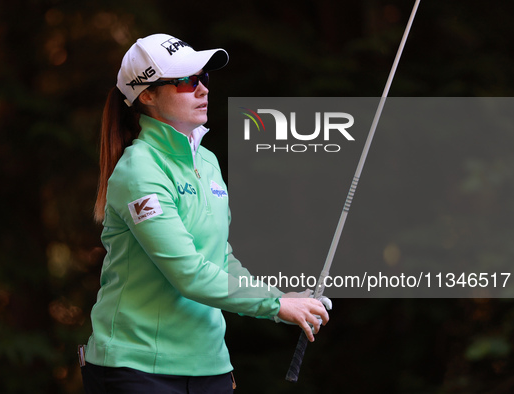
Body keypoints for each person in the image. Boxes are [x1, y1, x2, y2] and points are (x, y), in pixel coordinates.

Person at [81, 33, 331, 394]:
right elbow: (188, 273)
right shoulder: (139, 170)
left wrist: (286, 299)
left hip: (209, 365)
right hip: (135, 368)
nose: (203, 90)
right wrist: (276, 305)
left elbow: (219, 259)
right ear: (146, 95)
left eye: (204, 79)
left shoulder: (208, 162)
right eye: (187, 80)